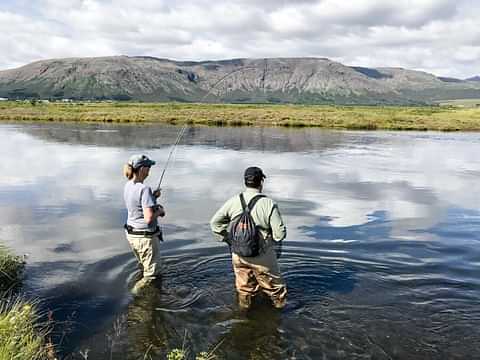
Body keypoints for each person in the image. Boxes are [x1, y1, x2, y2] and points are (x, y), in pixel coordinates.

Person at [210, 166, 287, 310]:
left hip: (238, 254)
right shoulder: (268, 203)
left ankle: (243, 315)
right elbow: (280, 234)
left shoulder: (233, 201)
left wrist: (228, 239)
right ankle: (279, 316)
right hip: (262, 256)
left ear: (245, 182)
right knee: (277, 290)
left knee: (244, 289)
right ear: (261, 182)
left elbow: (214, 223)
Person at [123, 154, 165, 294]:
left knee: (144, 265)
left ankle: (145, 289)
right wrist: (160, 211)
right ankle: (133, 294)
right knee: (152, 275)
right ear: (141, 169)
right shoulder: (144, 189)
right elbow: (148, 218)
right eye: (148, 167)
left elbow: (138, 205)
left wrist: (153, 197)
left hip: (131, 235)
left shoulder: (128, 185)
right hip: (145, 238)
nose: (149, 171)